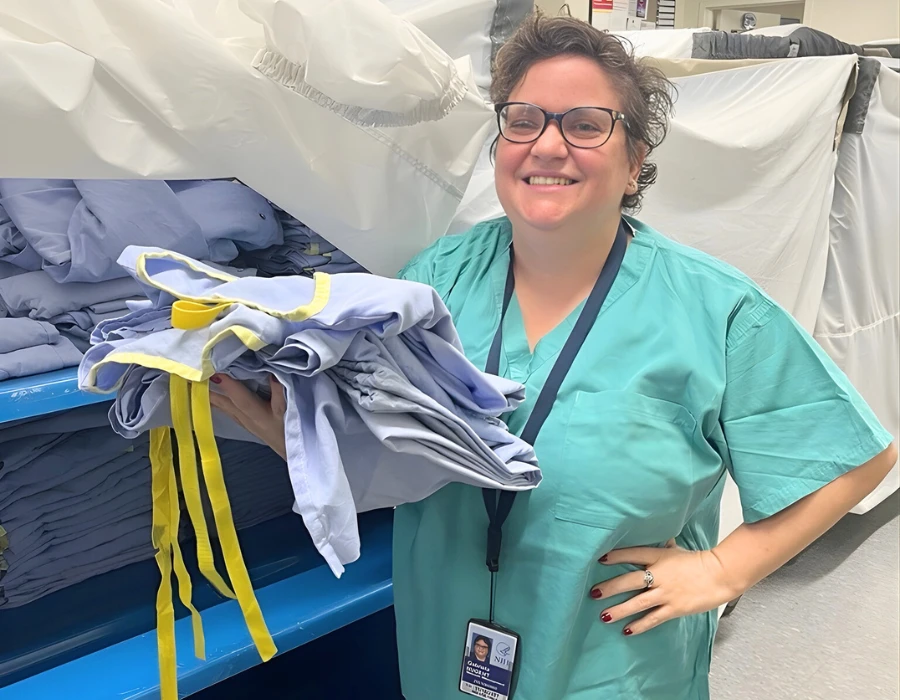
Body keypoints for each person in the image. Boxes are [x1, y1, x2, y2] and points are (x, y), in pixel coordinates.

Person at [208, 13, 897, 700]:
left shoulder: (714, 310)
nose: (548, 145)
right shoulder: (436, 281)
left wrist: (724, 570)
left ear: (634, 162)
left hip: (612, 663)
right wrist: (307, 443)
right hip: (447, 645)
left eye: (586, 125)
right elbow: (398, 450)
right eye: (524, 119)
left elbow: (857, 456)